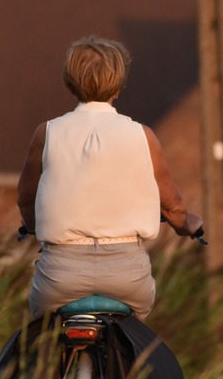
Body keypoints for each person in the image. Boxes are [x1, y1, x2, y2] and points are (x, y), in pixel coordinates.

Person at [17, 35, 203, 320]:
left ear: (70, 83)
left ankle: (46, 365)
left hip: (60, 276)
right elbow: (172, 207)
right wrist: (187, 225)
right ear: (118, 86)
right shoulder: (143, 136)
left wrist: (31, 226)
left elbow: (26, 198)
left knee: (40, 339)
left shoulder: (47, 133)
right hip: (127, 277)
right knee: (135, 338)